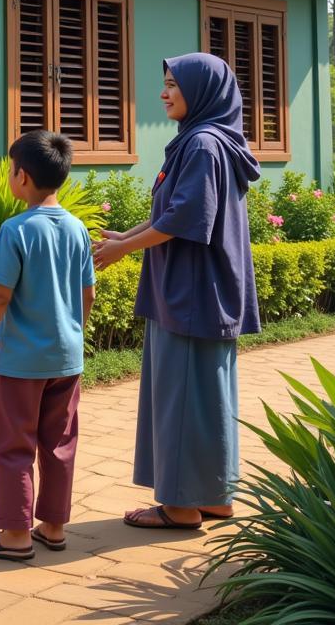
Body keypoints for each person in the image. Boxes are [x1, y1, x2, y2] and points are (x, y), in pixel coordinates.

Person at [94, 53, 260, 529]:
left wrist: (125, 252)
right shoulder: (204, 141)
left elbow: (185, 221)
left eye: (172, 84)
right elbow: (172, 210)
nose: (164, 93)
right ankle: (216, 496)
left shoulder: (204, 145)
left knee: (183, 396)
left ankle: (182, 506)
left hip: (190, 294)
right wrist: (125, 238)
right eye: (164, 83)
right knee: (207, 397)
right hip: (199, 291)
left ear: (202, 92)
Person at [0, 130, 96, 561]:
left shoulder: (16, 229)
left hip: (19, 362)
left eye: (9, 168)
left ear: (21, 176)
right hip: (66, 358)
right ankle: (52, 527)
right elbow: (87, 292)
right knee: (59, 444)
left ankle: (15, 535)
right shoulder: (77, 229)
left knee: (12, 444)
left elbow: (0, 295)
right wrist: (73, 334)